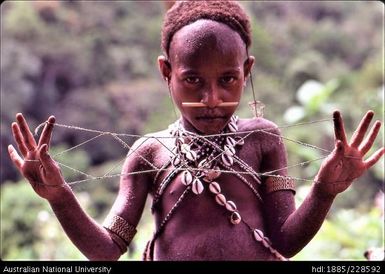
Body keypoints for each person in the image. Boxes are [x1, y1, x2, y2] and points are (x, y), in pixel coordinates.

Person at [8, 1, 384, 261]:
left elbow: (285, 241)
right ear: (166, 71)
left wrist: (323, 191)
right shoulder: (149, 152)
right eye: (192, 80)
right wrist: (60, 198)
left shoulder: (262, 140)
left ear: (247, 71)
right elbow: (107, 248)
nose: (211, 98)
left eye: (228, 79)